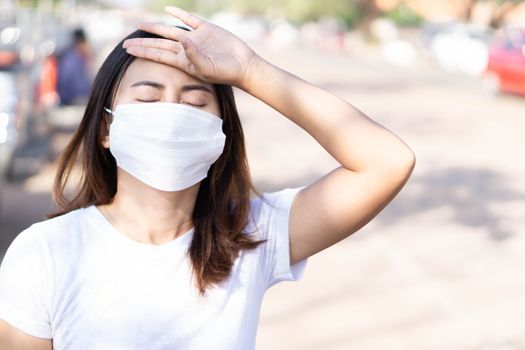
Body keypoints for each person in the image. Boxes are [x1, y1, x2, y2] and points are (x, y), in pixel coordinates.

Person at [0, 6, 415, 350]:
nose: (172, 112)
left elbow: (386, 161)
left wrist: (250, 70)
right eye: (148, 97)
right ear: (107, 128)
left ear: (221, 132)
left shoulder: (251, 236)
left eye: (196, 101)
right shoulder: (46, 253)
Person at [55, 28, 92, 106]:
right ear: (81, 43)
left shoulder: (72, 57)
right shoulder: (73, 60)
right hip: (71, 102)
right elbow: (78, 87)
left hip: (70, 100)